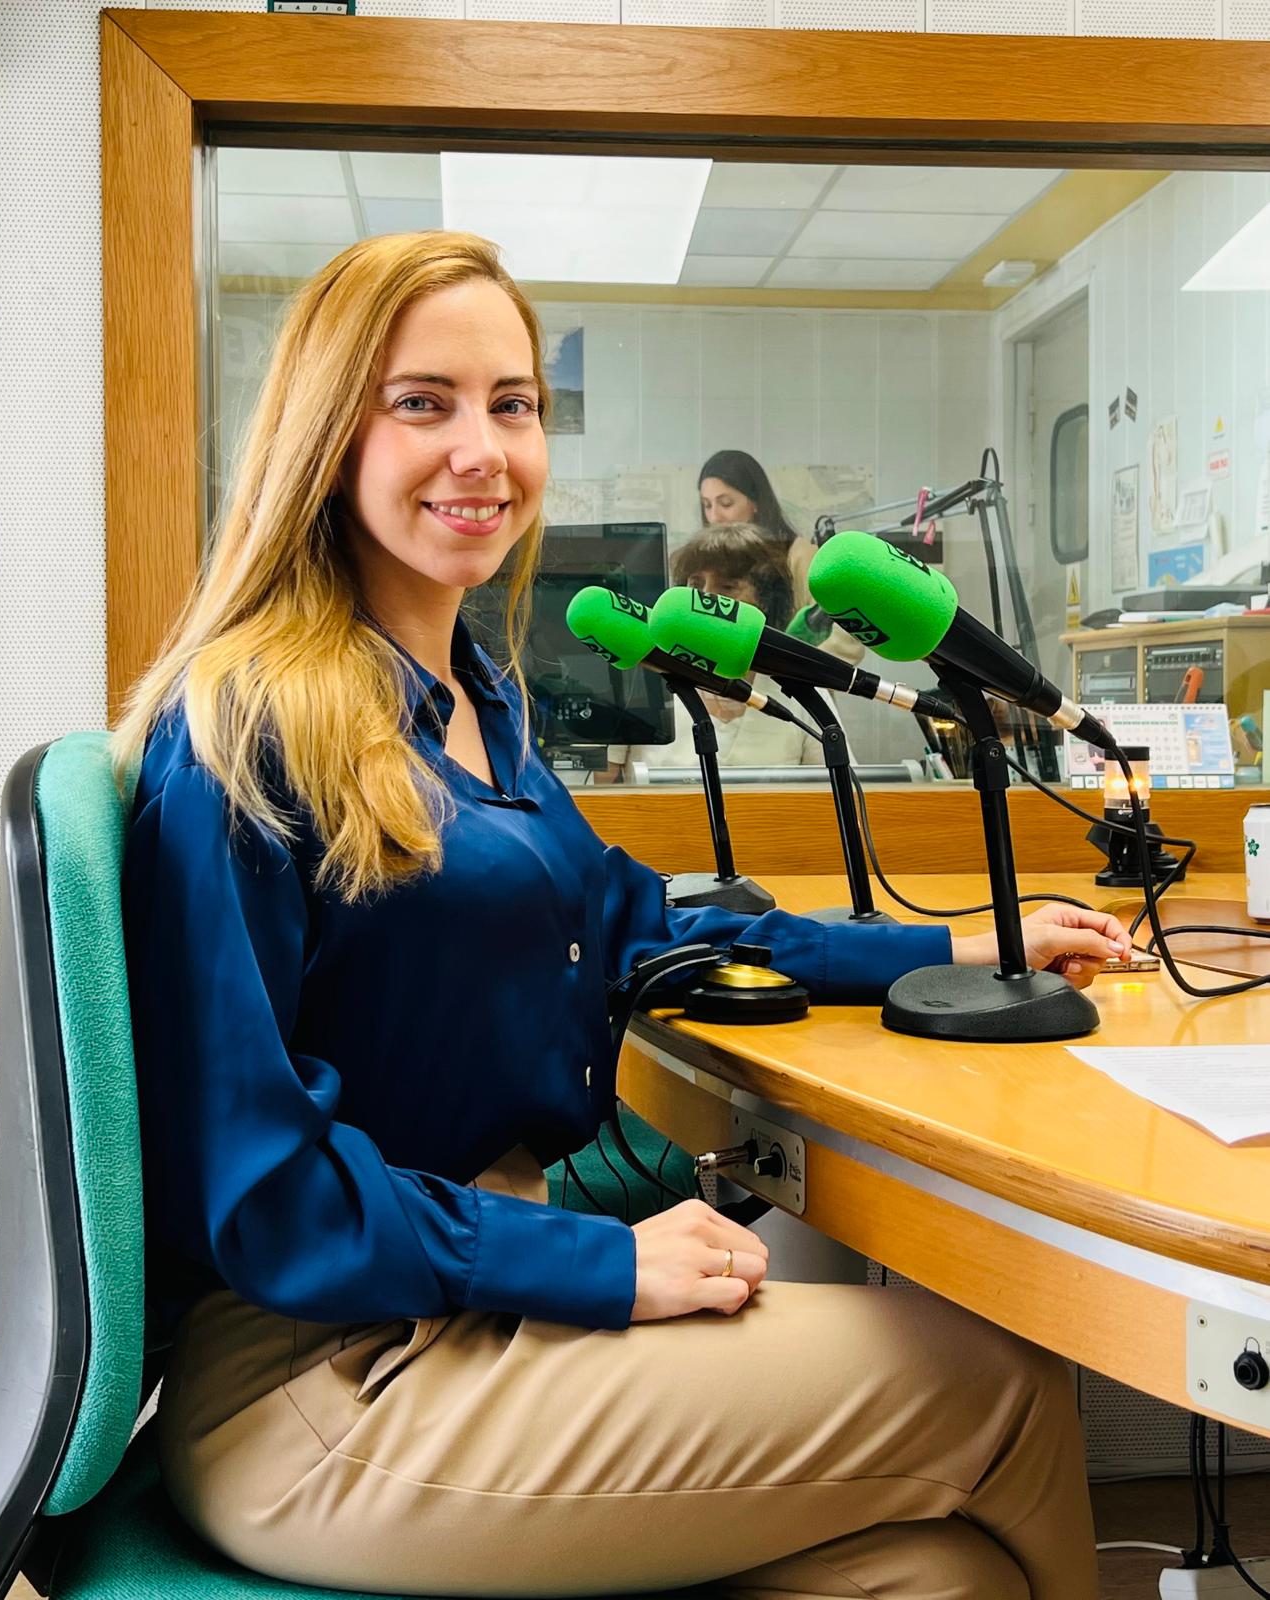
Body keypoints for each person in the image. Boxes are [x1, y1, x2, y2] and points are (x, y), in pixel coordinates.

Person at [115, 230, 1124, 1600]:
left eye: (513, 404)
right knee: (1000, 1390)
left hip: (472, 1305)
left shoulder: (482, 706)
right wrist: (594, 1259)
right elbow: (267, 1196)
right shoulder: (243, 728)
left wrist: (952, 947)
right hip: (326, 1374)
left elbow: (646, 925)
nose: (482, 449)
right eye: (424, 402)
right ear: (325, 436)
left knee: (936, 1572)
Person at [608, 525, 819, 776]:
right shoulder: (641, 680)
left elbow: (845, 790)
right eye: (696, 587)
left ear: (764, 602)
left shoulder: (802, 691)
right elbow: (596, 790)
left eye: (727, 588)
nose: (706, 598)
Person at [699, 449, 861, 667]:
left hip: (792, 693)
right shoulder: (703, 565)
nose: (714, 517)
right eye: (707, 505)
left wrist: (786, 669)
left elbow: (845, 636)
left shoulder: (799, 556)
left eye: (726, 503)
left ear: (755, 502)